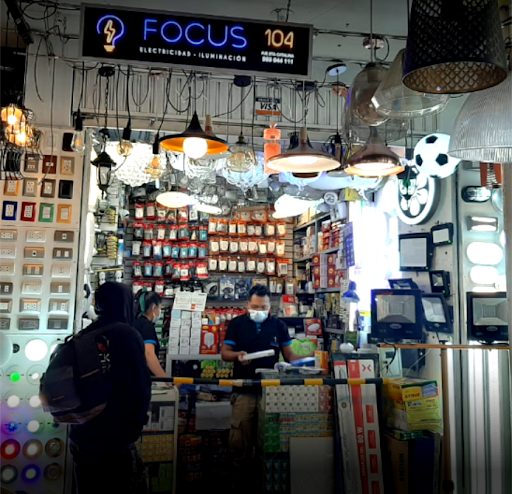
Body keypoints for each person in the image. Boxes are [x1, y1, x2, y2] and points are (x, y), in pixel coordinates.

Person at [69, 282, 151, 494]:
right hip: (113, 438)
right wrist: (137, 423)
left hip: (80, 434)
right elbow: (139, 386)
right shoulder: (127, 335)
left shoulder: (84, 334)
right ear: (125, 304)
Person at [221, 284, 306, 486]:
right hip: (243, 392)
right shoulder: (236, 324)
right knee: (240, 445)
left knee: (268, 446)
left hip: (271, 393)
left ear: (270, 306)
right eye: (256, 307)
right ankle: (239, 486)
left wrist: (311, 360)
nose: (260, 311)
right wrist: (237, 356)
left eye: (264, 307)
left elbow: (289, 355)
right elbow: (225, 353)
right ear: (247, 305)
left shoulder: (279, 326)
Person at [134, 290, 168, 379]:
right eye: (160, 308)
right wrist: (166, 379)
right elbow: (149, 355)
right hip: (143, 378)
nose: (160, 311)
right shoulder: (147, 326)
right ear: (154, 308)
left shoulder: (135, 323)